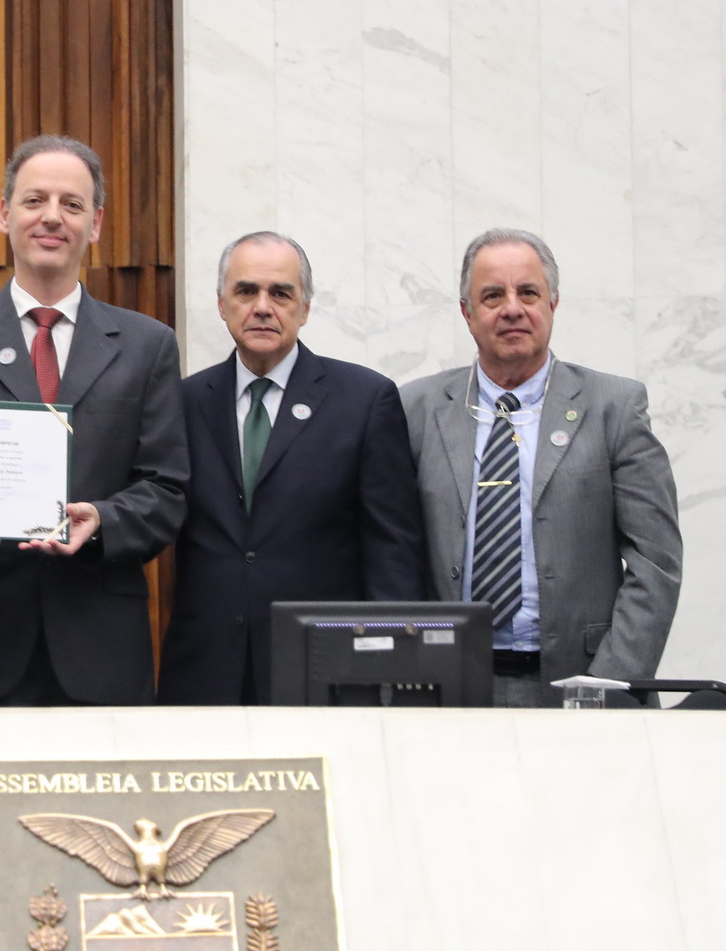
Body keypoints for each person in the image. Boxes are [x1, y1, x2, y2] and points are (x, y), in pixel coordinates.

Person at [0, 135, 188, 706]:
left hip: (99, 646)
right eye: (35, 201)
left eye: (72, 204)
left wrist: (104, 520)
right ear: (6, 215)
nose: (52, 218)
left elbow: (167, 489)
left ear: (97, 223)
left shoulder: (147, 345)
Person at [399, 228, 683, 705]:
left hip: (583, 685)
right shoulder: (415, 409)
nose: (512, 308)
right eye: (492, 295)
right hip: (447, 689)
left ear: (553, 303)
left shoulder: (614, 407)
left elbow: (655, 562)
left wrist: (607, 685)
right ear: (467, 313)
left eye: (527, 292)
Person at [158, 232, 426, 705]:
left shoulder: (364, 401)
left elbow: (392, 550)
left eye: (281, 293)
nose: (263, 307)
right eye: (246, 291)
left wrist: (394, 671)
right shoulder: (183, 402)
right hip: (205, 675)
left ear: (305, 308)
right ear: (222, 305)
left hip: (325, 672)